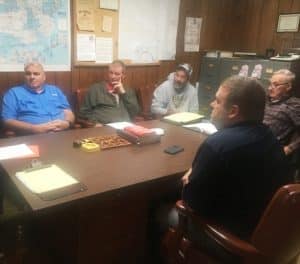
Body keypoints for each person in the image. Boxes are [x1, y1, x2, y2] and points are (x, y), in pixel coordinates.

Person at [181, 76, 292, 262]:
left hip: (232, 244)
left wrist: (189, 180)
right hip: (265, 239)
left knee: (160, 212)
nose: (211, 104)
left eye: (217, 101)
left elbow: (190, 202)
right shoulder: (270, 137)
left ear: (233, 111)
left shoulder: (217, 145)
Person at [1, 62, 74, 135]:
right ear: (24, 76)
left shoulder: (55, 90)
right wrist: (33, 128)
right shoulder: (13, 93)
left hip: (63, 133)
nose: (32, 77)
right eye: (28, 74)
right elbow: (7, 120)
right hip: (33, 136)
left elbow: (68, 111)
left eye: (36, 74)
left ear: (44, 77)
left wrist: (67, 123)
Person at [78, 60, 140, 126]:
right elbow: (83, 112)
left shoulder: (128, 90)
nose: (113, 76)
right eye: (111, 73)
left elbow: (134, 112)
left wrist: (123, 93)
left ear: (123, 76)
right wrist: (95, 123)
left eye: (117, 74)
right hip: (104, 127)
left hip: (125, 127)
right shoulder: (95, 89)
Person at [263, 69, 300, 156]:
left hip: (271, 150)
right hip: (255, 140)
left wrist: (290, 148)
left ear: (288, 86)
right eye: (270, 84)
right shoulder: (265, 99)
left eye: (275, 85)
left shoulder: (294, 105)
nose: (269, 88)